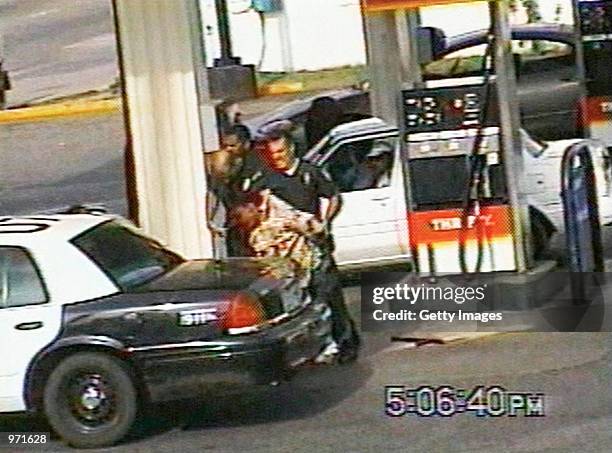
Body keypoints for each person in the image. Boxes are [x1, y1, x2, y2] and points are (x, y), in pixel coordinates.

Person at [241, 126, 360, 363]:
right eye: (273, 153)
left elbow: (333, 197)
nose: (278, 157)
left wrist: (324, 222)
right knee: (299, 302)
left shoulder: (310, 172)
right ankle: (313, 349)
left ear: (291, 148)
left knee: (328, 294)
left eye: (281, 151)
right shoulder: (266, 179)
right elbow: (252, 208)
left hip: (314, 245)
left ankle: (346, 343)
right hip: (286, 251)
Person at [205, 125, 253, 257]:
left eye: (233, 145)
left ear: (246, 144)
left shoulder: (252, 162)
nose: (228, 149)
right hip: (228, 218)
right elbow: (216, 190)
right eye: (225, 145)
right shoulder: (223, 161)